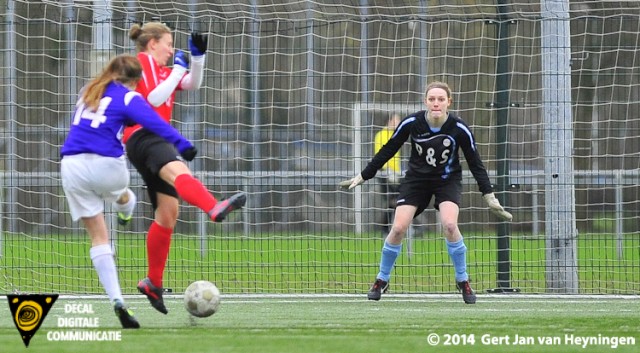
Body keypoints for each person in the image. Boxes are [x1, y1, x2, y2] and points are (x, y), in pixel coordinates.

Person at [340, 81, 513, 304]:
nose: (436, 103)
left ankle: (463, 280)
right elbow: (388, 149)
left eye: (441, 99)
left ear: (449, 102)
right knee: (398, 227)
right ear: (426, 102)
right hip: (416, 181)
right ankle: (382, 279)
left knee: (450, 226)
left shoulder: (459, 128)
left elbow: (476, 163)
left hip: (446, 181)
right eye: (432, 99)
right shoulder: (412, 123)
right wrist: (364, 175)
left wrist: (489, 196)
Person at [60, 54, 199, 328]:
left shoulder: (88, 91)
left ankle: (117, 301)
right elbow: (155, 123)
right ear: (136, 81)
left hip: (71, 166)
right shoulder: (129, 97)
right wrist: (181, 144)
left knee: (99, 238)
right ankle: (124, 204)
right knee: (123, 194)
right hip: (106, 165)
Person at [123, 22, 246, 315]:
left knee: (167, 215)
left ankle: (152, 281)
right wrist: (179, 69)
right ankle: (213, 207)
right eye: (168, 43)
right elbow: (153, 98)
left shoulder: (165, 70)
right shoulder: (141, 63)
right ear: (152, 43)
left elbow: (193, 83)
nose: (171, 49)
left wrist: (198, 58)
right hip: (144, 135)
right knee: (181, 173)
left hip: (149, 139)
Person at [373, 114, 402, 235]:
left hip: (396, 174)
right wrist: (387, 171)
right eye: (396, 120)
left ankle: (386, 228)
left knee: (397, 201)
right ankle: (385, 228)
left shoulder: (397, 135)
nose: (398, 122)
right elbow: (380, 154)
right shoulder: (381, 135)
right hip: (384, 173)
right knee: (393, 200)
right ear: (389, 121)